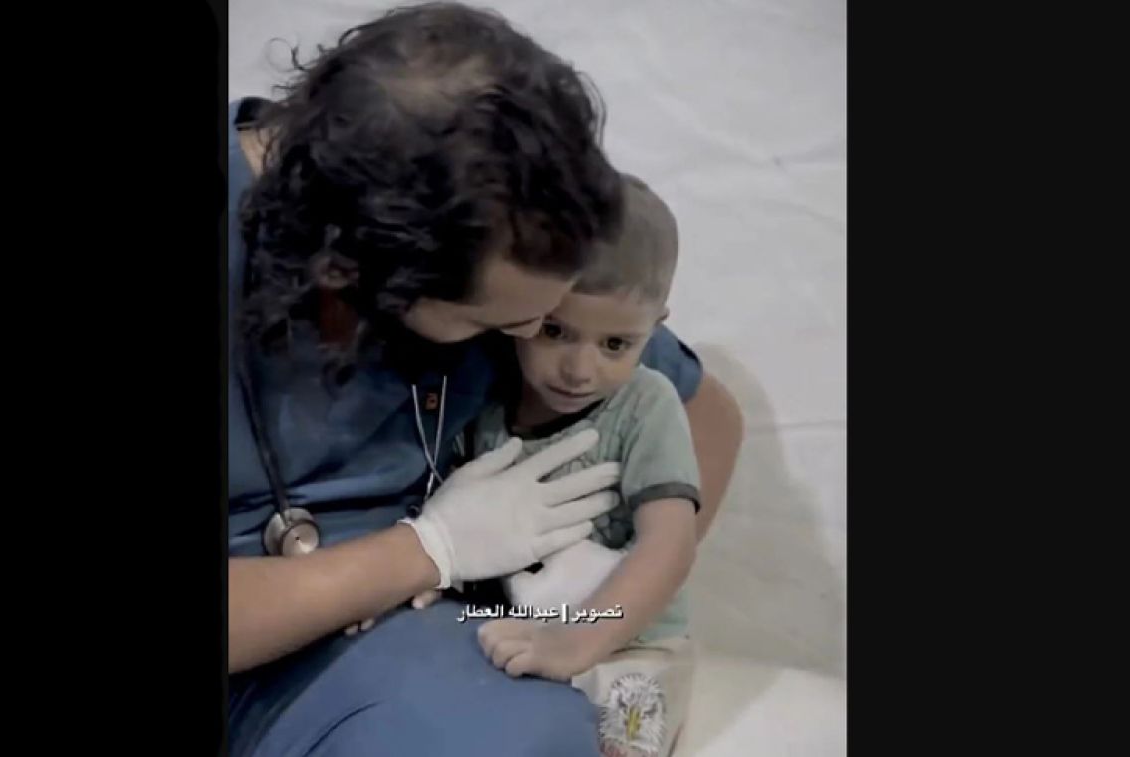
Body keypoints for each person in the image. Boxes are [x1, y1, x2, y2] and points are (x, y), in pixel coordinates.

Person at [226, 4, 743, 755]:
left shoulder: (510, 243)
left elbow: (706, 420)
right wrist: (427, 550)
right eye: (500, 326)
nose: (540, 340)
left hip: (375, 651)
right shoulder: (408, 234)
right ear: (348, 273)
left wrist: (600, 609)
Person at [458, 174, 702, 757]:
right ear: (521, 313)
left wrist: (580, 640)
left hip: (632, 643)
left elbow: (670, 544)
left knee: (620, 732)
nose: (579, 370)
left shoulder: (646, 405)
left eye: (615, 344)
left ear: (655, 327)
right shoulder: (486, 400)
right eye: (555, 331)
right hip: (522, 627)